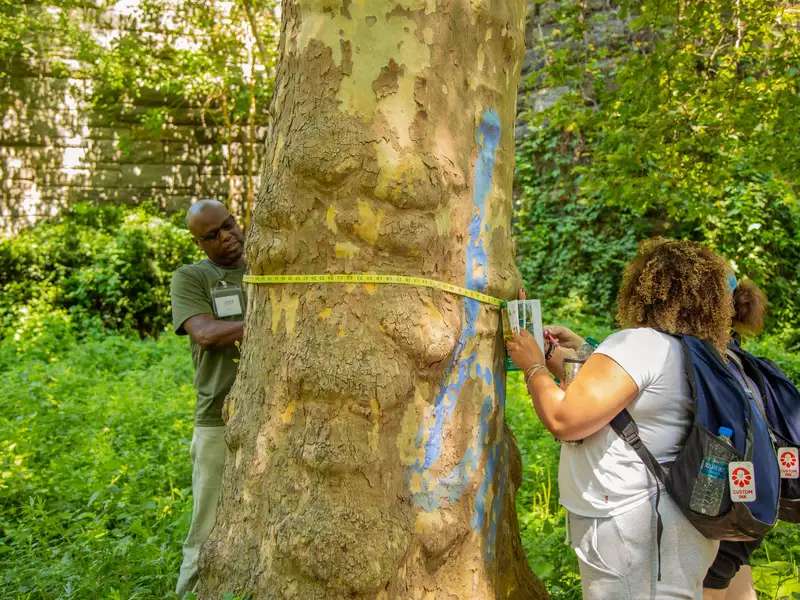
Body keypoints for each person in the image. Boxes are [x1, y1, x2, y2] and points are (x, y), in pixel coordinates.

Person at [507, 238, 734, 599]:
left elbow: (564, 418)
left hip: (634, 530)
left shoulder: (642, 344)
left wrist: (533, 364)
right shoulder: (691, 352)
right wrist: (558, 354)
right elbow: (619, 397)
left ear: (645, 288)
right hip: (672, 525)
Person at [170, 199, 246, 597]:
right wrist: (265, 324)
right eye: (212, 236)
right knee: (206, 526)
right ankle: (188, 591)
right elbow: (205, 333)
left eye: (228, 226)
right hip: (216, 418)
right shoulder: (191, 278)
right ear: (199, 244)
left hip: (270, 420)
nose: (227, 238)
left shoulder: (266, 268)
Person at [703, 278, 769, 600]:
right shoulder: (733, 355)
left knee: (712, 587)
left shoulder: (705, 362)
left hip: (721, 509)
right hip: (750, 508)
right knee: (738, 584)